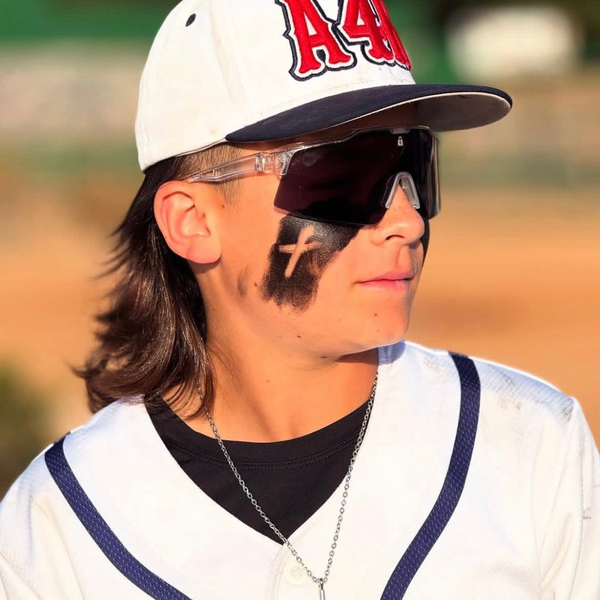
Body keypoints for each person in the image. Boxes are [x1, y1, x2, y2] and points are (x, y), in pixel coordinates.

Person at [1, 0, 598, 598]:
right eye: (343, 177)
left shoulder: (531, 446)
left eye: (414, 164)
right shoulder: (59, 526)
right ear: (193, 221)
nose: (407, 221)